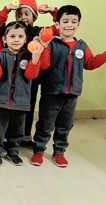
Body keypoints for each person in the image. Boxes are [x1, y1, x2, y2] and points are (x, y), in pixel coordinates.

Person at [30, 5, 106, 167]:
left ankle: (59, 151)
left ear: (78, 25)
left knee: (65, 125)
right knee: (45, 123)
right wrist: (43, 46)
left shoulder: (82, 46)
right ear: (57, 25)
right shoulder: (52, 44)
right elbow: (43, 66)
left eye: (74, 21)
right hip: (51, 92)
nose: (69, 25)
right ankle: (38, 150)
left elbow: (90, 64)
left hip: (72, 93)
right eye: (65, 21)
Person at [0, 0, 59, 148]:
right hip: (10, 76)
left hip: (31, 76)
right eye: (19, 14)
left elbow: (57, 27)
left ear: (34, 16)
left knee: (27, 107)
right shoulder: (12, 29)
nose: (23, 17)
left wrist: (52, 11)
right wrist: (7, 9)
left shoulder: (39, 31)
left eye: (27, 14)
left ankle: (24, 136)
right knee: (8, 108)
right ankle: (5, 137)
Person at [0, 21, 43, 166]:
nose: (16, 39)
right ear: (4, 39)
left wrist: (35, 59)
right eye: (12, 36)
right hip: (1, 101)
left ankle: (13, 151)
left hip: (21, 101)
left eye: (20, 36)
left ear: (25, 39)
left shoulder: (28, 56)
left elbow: (31, 75)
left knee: (17, 131)